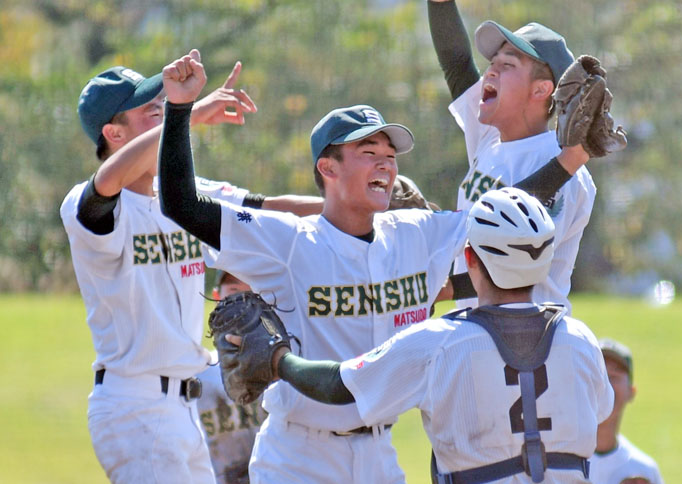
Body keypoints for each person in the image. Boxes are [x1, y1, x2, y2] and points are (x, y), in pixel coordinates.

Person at [157, 50, 588, 484]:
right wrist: (179, 108)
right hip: (298, 455)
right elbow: (182, 204)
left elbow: (503, 214)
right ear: (328, 167)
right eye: (368, 151)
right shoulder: (287, 242)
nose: (386, 162)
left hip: (380, 455)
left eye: (390, 154)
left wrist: (572, 159)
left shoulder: (418, 233)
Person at [232, 187, 613, 484]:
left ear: (469, 259)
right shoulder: (580, 340)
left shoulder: (439, 342)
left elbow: (339, 386)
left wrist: (280, 361)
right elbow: (599, 412)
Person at [60, 59, 319, 483]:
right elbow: (107, 181)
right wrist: (189, 113)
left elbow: (268, 209)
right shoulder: (88, 208)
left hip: (184, 408)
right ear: (114, 133)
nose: (162, 111)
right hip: (133, 406)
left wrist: (356, 210)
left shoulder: (183, 197)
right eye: (151, 111)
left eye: (163, 107)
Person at [428, 0, 596, 314]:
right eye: (493, 61)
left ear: (540, 89)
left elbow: (516, 258)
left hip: (532, 344)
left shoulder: (564, 167)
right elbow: (457, 63)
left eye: (508, 65)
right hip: (483, 330)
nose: (490, 69)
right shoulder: (491, 137)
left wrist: (440, 287)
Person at [198, 270, 267, 484]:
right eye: (234, 291)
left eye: (251, 293)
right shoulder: (196, 374)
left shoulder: (280, 369)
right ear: (217, 296)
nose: (241, 302)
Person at [589, 339, 665, 484]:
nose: (606, 385)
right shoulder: (555, 459)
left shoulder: (644, 469)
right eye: (600, 373)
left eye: (614, 377)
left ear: (631, 391)